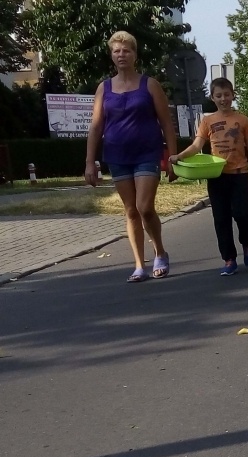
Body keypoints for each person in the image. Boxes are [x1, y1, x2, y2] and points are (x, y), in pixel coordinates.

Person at [85, 30, 176, 283]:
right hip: (117, 155)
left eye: (126, 50)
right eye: (116, 51)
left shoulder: (150, 85)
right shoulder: (104, 88)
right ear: (112, 56)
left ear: (135, 54)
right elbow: (95, 127)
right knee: (130, 211)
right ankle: (138, 265)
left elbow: (167, 123)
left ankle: (160, 251)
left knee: (144, 207)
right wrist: (89, 162)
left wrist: (172, 156)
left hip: (147, 153)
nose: (121, 55)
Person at [169, 78, 248, 276]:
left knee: (242, 214)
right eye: (218, 95)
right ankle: (229, 259)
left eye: (226, 94)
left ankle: (247, 241)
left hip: (239, 175)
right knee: (221, 219)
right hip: (217, 176)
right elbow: (196, 146)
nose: (223, 99)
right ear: (212, 98)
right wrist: (179, 156)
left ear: (233, 95)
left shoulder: (242, 119)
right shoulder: (207, 121)